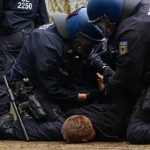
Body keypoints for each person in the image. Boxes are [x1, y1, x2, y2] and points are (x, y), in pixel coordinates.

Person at [87, 0, 150, 144]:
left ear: (110, 16)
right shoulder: (143, 5)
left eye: (104, 23)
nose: (104, 29)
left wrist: (107, 88)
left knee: (135, 131)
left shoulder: (132, 29)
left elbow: (128, 74)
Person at [0, 73, 132, 141]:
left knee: (51, 127)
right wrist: (105, 88)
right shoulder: (116, 118)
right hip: (81, 97)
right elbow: (120, 97)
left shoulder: (63, 129)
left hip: (67, 110)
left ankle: (8, 129)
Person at [0, 0, 49, 118]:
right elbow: (43, 15)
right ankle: (30, 112)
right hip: (30, 35)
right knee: (27, 77)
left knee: (4, 77)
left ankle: (3, 115)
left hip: (9, 36)